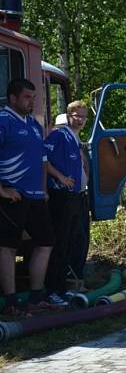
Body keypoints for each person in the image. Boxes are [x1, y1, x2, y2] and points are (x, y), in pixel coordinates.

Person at [0, 78, 57, 316]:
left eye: (34, 97)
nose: (32, 102)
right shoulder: (3, 121)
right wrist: (1, 191)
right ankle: (11, 302)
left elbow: (43, 161)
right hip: (13, 196)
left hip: (35, 197)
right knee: (7, 248)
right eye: (27, 97)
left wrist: (43, 190)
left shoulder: (34, 124)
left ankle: (36, 297)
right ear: (13, 98)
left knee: (46, 242)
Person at [43, 100, 90, 304]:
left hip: (76, 196)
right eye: (76, 116)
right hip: (61, 196)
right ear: (68, 116)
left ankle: (62, 288)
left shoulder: (76, 139)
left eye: (83, 116)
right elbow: (42, 156)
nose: (80, 120)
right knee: (59, 243)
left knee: (70, 242)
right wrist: (60, 178)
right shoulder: (60, 134)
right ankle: (52, 289)